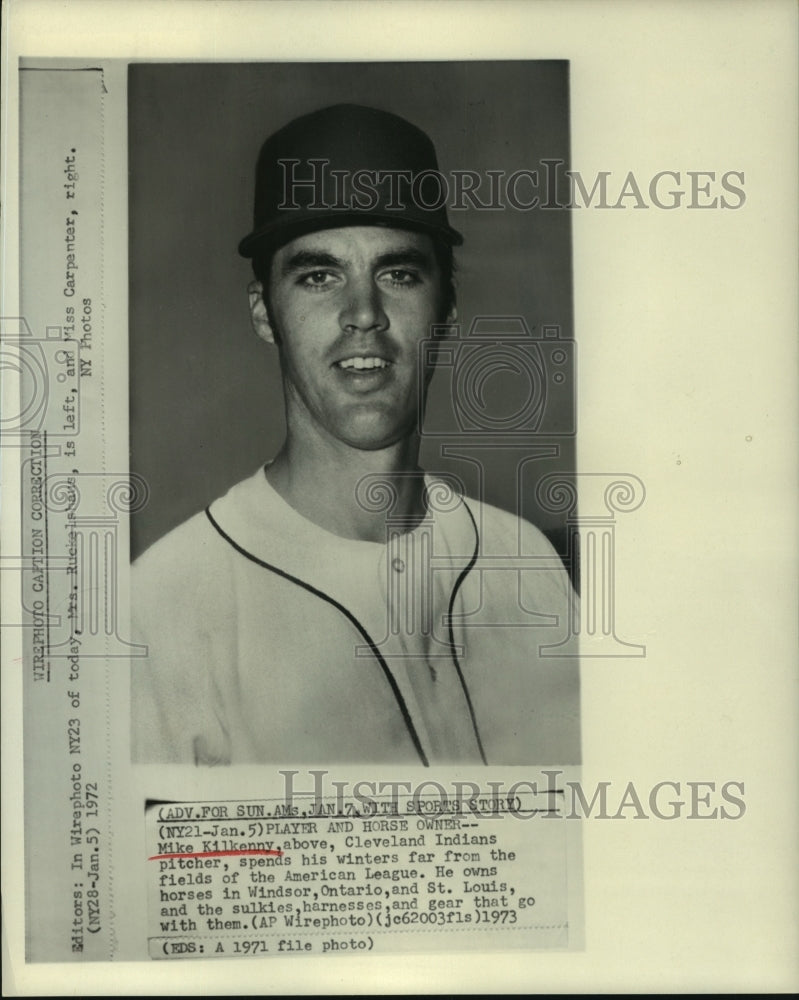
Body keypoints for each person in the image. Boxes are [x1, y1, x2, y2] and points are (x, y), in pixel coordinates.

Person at [131, 103, 579, 767]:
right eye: (318, 276)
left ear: (447, 308)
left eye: (398, 275)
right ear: (263, 312)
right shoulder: (158, 609)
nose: (362, 315)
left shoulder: (527, 561)